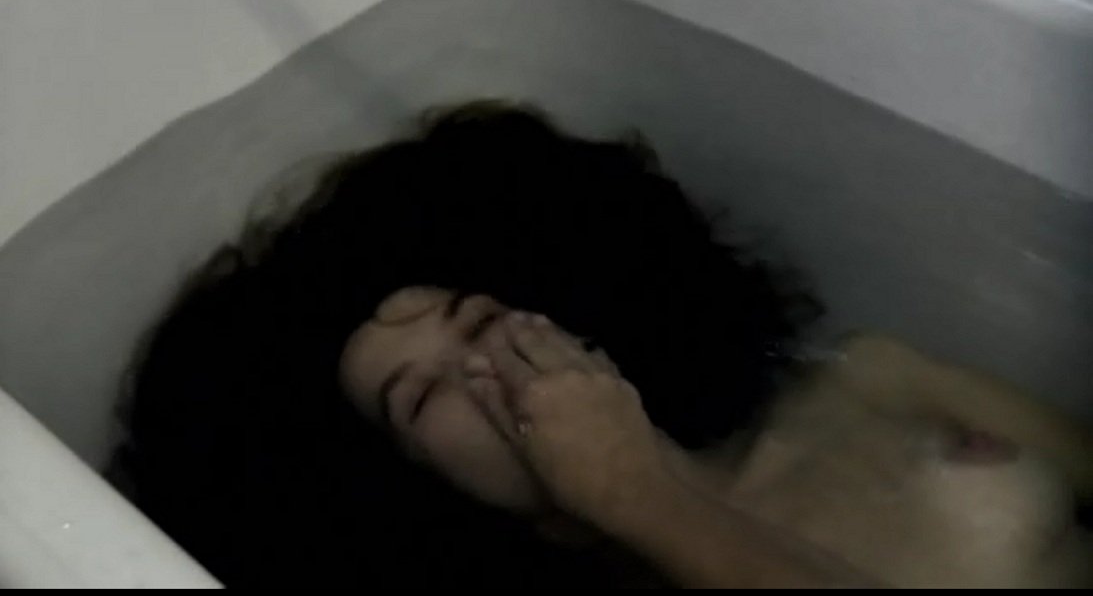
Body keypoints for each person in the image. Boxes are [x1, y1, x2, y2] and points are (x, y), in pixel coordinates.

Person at [111, 101, 1092, 588]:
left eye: (479, 321)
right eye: (421, 397)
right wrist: (632, 494)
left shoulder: (867, 379)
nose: (480, 362)